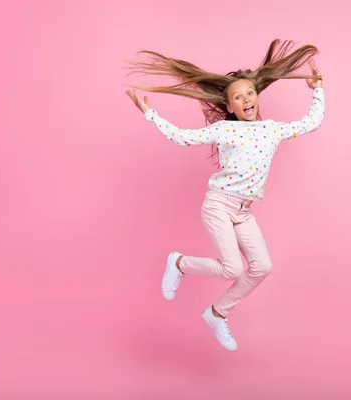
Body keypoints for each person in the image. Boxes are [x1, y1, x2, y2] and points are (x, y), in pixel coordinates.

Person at [125, 39, 325, 351]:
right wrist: (150, 113)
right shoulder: (223, 129)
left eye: (250, 93)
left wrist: (317, 89)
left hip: (243, 212)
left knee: (263, 267)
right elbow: (181, 138)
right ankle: (178, 263)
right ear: (229, 106)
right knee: (232, 268)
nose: (246, 99)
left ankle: (218, 313)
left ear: (256, 98)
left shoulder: (272, 129)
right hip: (219, 204)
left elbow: (312, 123)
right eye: (237, 96)